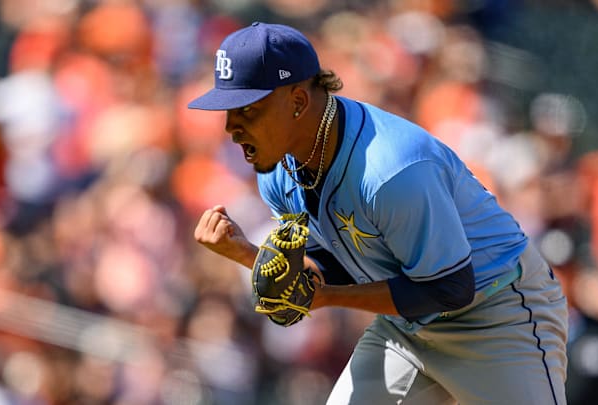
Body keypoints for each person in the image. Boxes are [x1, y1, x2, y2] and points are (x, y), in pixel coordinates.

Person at [189, 21, 568, 405]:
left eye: (248, 110)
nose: (231, 127)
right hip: (407, 328)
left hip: (496, 313)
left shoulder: (390, 169)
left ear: (299, 102)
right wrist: (248, 255)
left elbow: (451, 288)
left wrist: (326, 297)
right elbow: (330, 261)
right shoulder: (278, 172)